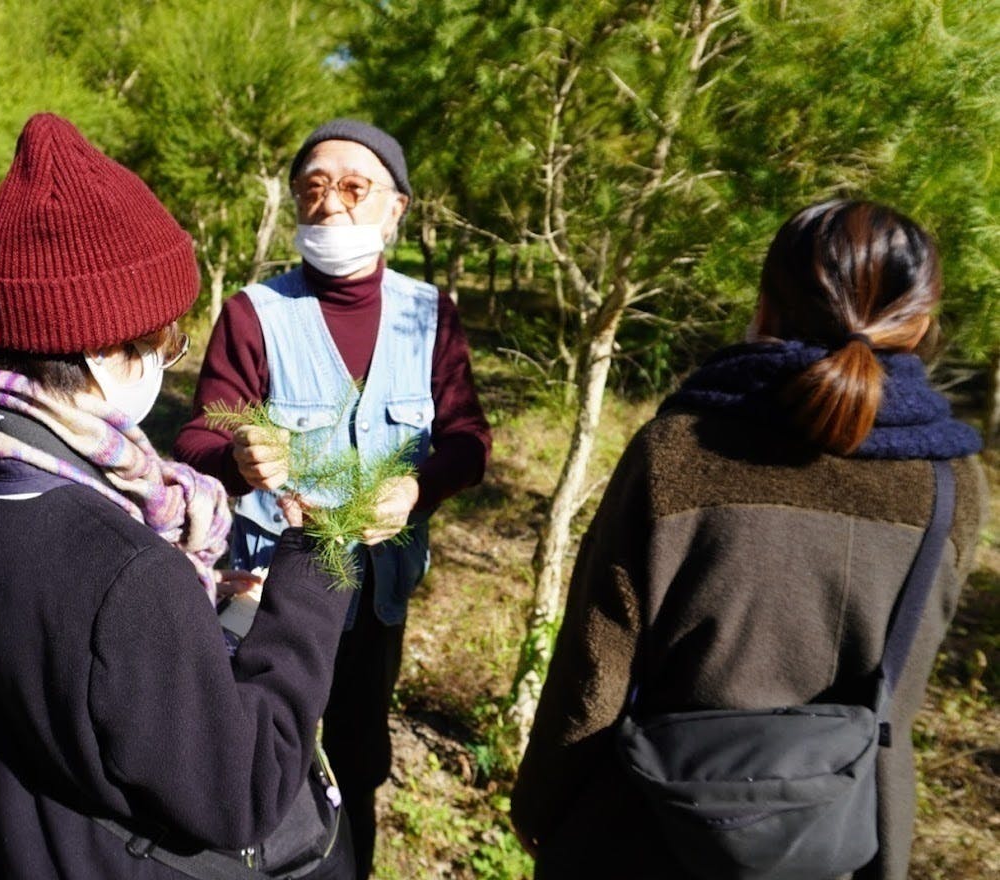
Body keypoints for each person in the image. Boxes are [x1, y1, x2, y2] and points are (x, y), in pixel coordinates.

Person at [0, 113, 357, 880]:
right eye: (164, 342)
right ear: (96, 345)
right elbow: (240, 789)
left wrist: (209, 615)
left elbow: (68, 674)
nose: (169, 362)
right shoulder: (127, 570)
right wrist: (309, 577)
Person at [510, 200, 986, 879]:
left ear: (765, 305)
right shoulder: (953, 481)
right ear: (920, 322)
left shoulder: (678, 451)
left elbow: (595, 670)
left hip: (651, 825)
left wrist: (543, 809)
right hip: (846, 839)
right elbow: (901, 688)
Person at [174, 119, 492, 878]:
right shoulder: (257, 313)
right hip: (264, 589)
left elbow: (467, 440)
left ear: (396, 209)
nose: (331, 205)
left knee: (357, 749)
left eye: (354, 188)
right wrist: (237, 457)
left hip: (376, 593)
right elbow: (195, 440)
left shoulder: (429, 314)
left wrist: (418, 487)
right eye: (313, 189)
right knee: (257, 749)